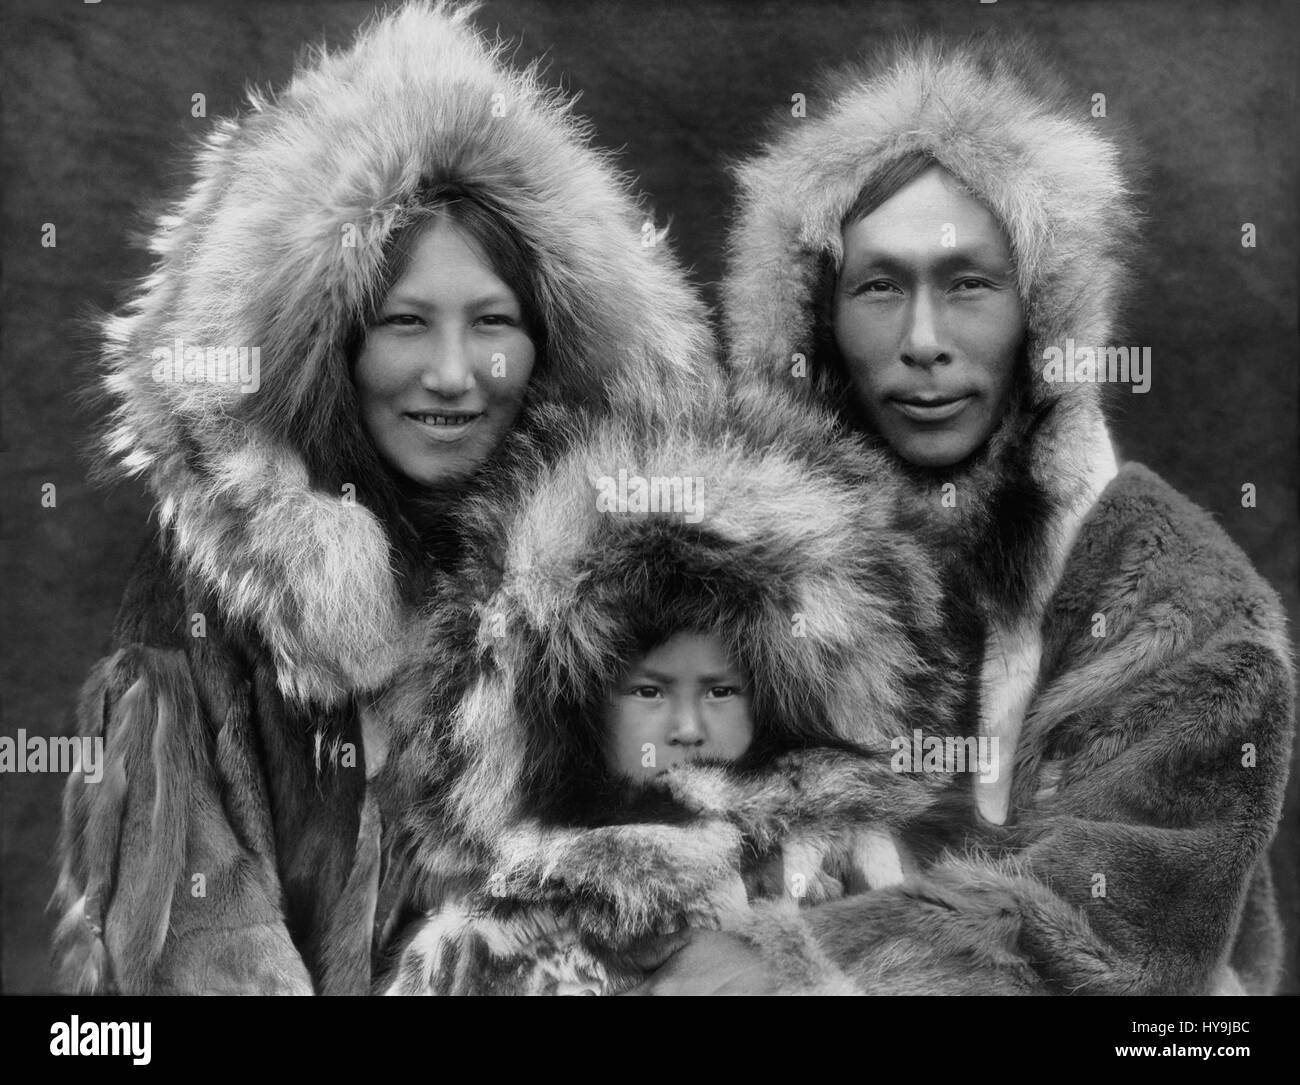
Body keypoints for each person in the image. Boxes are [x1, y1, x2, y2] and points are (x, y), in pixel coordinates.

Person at [52, 1, 715, 994]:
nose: (452, 372)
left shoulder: (631, 591)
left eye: (491, 320)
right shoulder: (217, 597)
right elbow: (181, 941)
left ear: (548, 345)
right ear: (338, 348)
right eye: (406, 321)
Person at [636, 36, 1296, 995]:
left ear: (1043, 312)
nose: (925, 343)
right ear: (816, 318)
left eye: (969, 284)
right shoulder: (716, 556)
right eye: (879, 287)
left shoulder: (1181, 594)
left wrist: (765, 967)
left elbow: (1118, 934)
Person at [371, 393, 971, 995]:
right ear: (579, 717)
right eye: (651, 692)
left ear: (773, 704)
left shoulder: (841, 871)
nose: (687, 726)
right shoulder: (483, 938)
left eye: (720, 691)